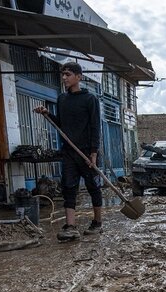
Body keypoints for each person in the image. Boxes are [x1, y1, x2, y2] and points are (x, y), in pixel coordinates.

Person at [34, 62, 102, 241]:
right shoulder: (62, 99)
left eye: (68, 74)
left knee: (93, 187)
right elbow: (61, 125)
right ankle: (70, 226)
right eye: (63, 74)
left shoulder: (90, 99)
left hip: (87, 152)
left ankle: (97, 223)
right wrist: (47, 114)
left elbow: (96, 127)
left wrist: (94, 154)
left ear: (79, 77)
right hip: (69, 152)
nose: (64, 77)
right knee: (68, 188)